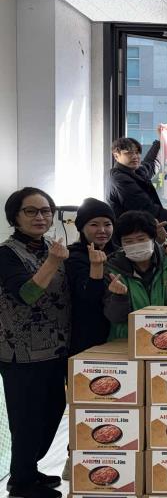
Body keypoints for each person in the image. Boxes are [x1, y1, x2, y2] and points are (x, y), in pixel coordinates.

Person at [0, 187, 70, 498]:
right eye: (31, 211)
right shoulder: (6, 254)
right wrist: (53, 262)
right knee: (25, 419)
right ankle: (21, 483)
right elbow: (26, 295)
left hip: (55, 348)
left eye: (45, 211)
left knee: (52, 412)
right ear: (15, 216)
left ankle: (29, 469)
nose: (40, 217)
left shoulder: (51, 248)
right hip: (21, 354)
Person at [103, 211, 167, 339]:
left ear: (153, 238)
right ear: (121, 244)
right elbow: (115, 318)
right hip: (126, 339)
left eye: (141, 239)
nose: (135, 245)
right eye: (128, 241)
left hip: (166, 335)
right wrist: (119, 297)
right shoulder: (111, 267)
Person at [66, 198, 118, 355]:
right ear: (81, 228)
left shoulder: (119, 253)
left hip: (117, 329)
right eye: (94, 224)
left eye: (107, 224)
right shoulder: (73, 256)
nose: (102, 230)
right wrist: (96, 267)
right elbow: (88, 297)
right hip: (87, 333)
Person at [107, 132, 167, 223]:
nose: (135, 156)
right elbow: (145, 207)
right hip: (131, 230)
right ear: (116, 156)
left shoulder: (136, 171)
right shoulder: (118, 178)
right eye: (129, 153)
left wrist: (160, 141)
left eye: (137, 152)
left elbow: (150, 163)